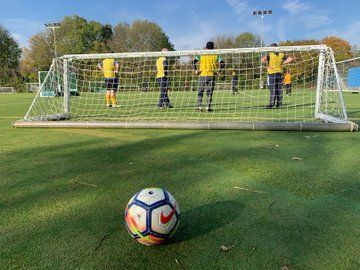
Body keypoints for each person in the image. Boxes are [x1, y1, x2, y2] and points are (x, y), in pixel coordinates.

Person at [193, 41, 225, 111]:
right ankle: (208, 107)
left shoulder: (202, 53)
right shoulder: (216, 54)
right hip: (212, 75)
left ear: (206, 47)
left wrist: (196, 70)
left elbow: (193, 62)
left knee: (200, 91)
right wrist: (218, 72)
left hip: (203, 75)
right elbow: (222, 63)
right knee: (209, 92)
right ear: (213, 47)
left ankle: (199, 107)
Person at [261, 43, 293, 109]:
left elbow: (262, 60)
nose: (270, 49)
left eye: (270, 48)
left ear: (274, 48)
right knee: (279, 89)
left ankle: (271, 105)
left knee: (273, 89)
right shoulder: (282, 54)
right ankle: (279, 104)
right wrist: (284, 62)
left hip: (272, 73)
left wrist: (268, 66)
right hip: (280, 73)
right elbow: (290, 58)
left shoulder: (270, 54)